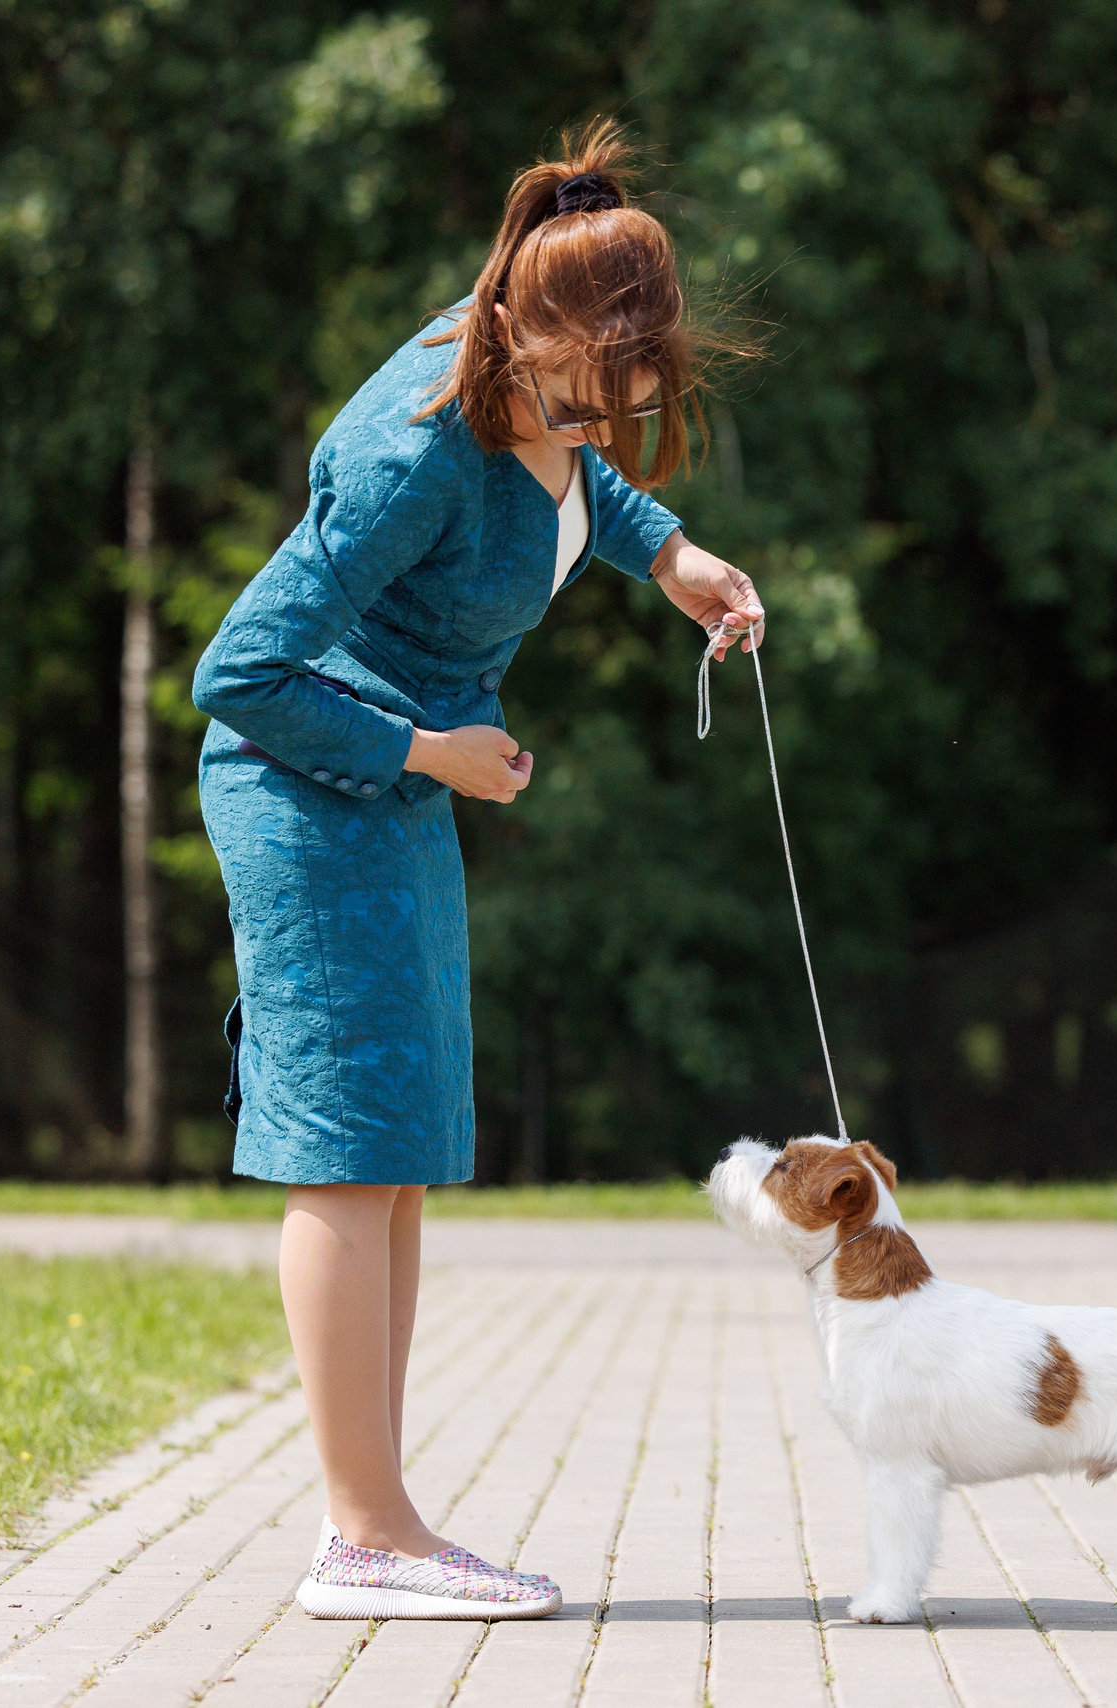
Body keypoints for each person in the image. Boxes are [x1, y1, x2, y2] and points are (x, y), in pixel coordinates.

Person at [189, 120, 763, 1620]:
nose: (602, 425)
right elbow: (238, 671)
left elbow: (574, 487)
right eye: (586, 398)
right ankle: (361, 1541)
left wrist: (674, 556)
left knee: (405, 1151)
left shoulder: (548, 391)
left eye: (623, 404)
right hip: (307, 787)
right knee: (347, 1150)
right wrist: (427, 750)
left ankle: (384, 1524)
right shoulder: (409, 451)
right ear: (517, 325)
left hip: (391, 782)